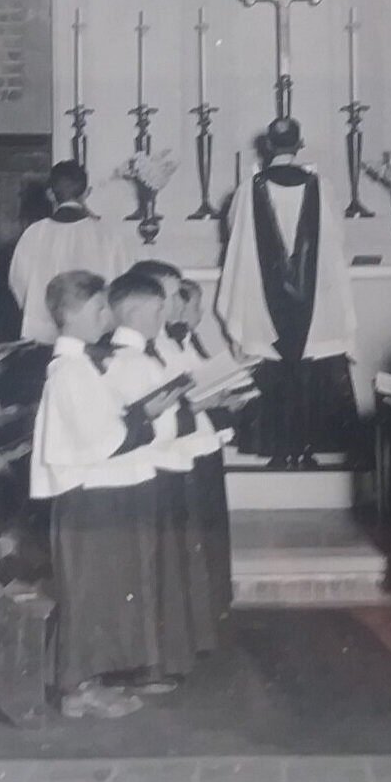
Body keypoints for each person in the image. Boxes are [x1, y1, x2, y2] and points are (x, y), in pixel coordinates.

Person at [29, 271, 174, 719]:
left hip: (101, 490)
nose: (106, 317)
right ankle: (76, 690)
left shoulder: (85, 364)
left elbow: (104, 421)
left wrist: (135, 415)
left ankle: (90, 681)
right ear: (71, 315)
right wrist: (145, 418)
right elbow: (102, 438)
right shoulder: (69, 370)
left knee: (101, 591)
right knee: (86, 593)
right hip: (86, 495)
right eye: (97, 309)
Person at [215, 117, 359, 469]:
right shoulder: (321, 186)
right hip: (315, 300)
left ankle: (276, 449)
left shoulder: (248, 189)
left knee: (272, 367)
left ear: (268, 147)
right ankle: (307, 449)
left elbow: (235, 231)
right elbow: (336, 235)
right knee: (312, 365)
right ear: (300, 145)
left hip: (264, 302)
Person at [98, 268, 212, 683]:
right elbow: (136, 421)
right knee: (149, 572)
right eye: (158, 308)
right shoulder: (125, 360)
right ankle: (148, 664)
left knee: (163, 569)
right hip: (148, 469)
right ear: (131, 311)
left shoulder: (147, 353)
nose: (165, 315)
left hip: (164, 465)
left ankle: (163, 658)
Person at [152, 266, 233, 623]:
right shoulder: (160, 346)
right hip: (181, 447)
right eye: (192, 306)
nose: (197, 314)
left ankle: (212, 603)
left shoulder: (183, 341)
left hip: (202, 441)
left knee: (208, 531)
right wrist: (205, 401)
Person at [8, 162, 131, 344]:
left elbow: (18, 283)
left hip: (43, 336)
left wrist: (39, 312)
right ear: (87, 193)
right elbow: (123, 285)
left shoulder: (33, 234)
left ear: (50, 195)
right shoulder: (107, 234)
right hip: (96, 335)